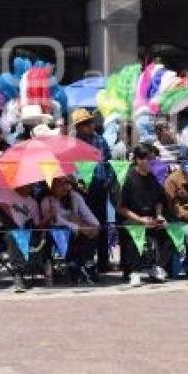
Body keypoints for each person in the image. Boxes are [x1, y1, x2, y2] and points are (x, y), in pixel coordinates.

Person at [117, 144, 175, 287]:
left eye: (153, 159)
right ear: (137, 160)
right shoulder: (127, 178)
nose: (151, 163)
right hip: (131, 219)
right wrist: (140, 219)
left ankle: (157, 267)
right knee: (136, 231)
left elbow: (159, 201)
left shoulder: (153, 179)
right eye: (148, 159)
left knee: (171, 231)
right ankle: (134, 271)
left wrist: (160, 216)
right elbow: (121, 208)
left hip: (150, 218)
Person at [71, 108, 114, 273]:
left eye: (91, 122)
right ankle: (85, 260)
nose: (91, 126)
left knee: (101, 223)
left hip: (100, 186)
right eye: (86, 124)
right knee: (85, 223)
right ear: (78, 127)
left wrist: (108, 182)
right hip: (82, 188)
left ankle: (103, 262)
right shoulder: (73, 144)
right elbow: (70, 166)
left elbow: (109, 161)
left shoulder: (100, 140)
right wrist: (77, 184)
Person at [0, 183, 48, 292]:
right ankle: (18, 274)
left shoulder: (32, 202)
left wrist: (48, 218)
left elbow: (37, 226)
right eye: (28, 185)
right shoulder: (4, 192)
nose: (30, 187)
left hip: (21, 235)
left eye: (32, 186)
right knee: (12, 233)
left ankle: (29, 271)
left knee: (20, 234)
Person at [41, 175, 100, 284]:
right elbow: (58, 221)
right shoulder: (47, 201)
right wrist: (79, 226)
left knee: (93, 232)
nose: (64, 187)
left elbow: (88, 215)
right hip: (57, 233)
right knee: (68, 233)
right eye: (60, 184)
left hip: (77, 229)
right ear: (51, 186)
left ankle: (88, 264)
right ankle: (74, 267)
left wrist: (95, 226)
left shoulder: (74, 196)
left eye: (66, 183)